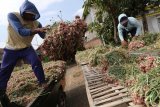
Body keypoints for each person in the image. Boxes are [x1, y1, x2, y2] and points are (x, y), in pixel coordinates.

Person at [0, 0, 47, 106]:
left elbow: (43, 36)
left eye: (32, 15)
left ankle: (42, 82)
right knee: (4, 71)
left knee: (36, 61)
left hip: (26, 48)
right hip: (11, 48)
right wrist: (36, 30)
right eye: (27, 14)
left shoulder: (36, 23)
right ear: (22, 12)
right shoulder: (13, 16)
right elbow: (20, 31)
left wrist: (44, 30)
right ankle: (1, 93)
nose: (29, 17)